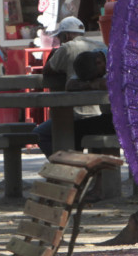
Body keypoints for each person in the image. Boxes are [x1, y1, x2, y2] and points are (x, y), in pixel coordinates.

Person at [33, 16, 115, 156]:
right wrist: (92, 84)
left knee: (43, 133)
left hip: (88, 116)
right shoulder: (100, 48)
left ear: (66, 35)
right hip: (101, 114)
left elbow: (47, 70)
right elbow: (71, 84)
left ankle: (65, 167)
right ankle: (80, 168)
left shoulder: (67, 48)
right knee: (81, 131)